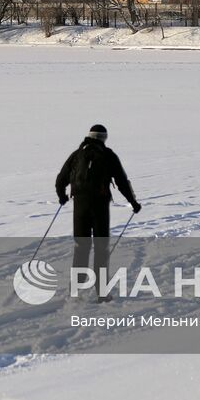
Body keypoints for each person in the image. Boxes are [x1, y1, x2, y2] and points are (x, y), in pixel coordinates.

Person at [55, 124, 141, 293]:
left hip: (80, 206)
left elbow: (60, 180)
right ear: (104, 138)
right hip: (100, 207)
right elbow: (122, 181)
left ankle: (76, 290)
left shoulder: (77, 155)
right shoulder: (108, 155)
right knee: (101, 247)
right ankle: (102, 292)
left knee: (81, 246)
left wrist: (62, 197)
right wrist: (133, 202)